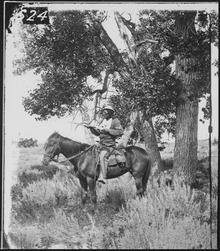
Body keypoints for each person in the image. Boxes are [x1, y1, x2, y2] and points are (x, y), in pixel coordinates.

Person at [85, 105, 124, 184]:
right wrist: (91, 128)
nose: (104, 113)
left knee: (103, 156)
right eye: (103, 112)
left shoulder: (115, 121)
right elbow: (98, 133)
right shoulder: (103, 121)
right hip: (101, 144)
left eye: (105, 112)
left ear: (110, 113)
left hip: (109, 145)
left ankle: (103, 177)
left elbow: (120, 131)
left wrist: (108, 130)